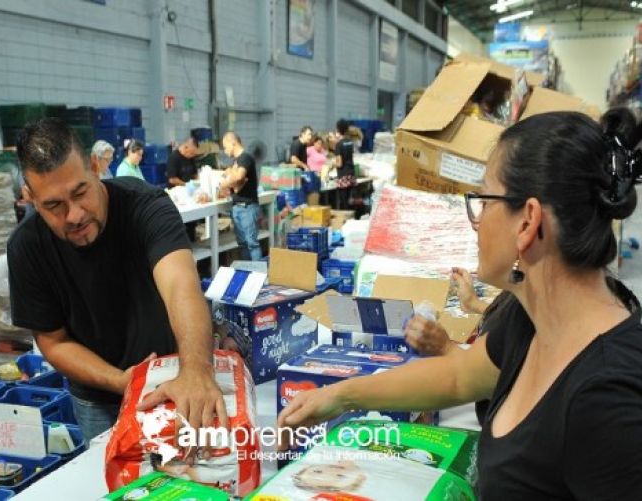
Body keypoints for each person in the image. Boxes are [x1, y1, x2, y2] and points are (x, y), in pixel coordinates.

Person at [278, 111, 642, 498]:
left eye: (484, 201)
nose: (476, 221)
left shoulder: (607, 399)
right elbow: (458, 376)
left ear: (528, 223)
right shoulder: (532, 317)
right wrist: (339, 395)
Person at [8, 118, 226, 443]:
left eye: (81, 192)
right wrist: (121, 381)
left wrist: (196, 370)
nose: (75, 215)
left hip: (172, 380)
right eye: (53, 205)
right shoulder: (26, 247)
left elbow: (180, 285)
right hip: (96, 398)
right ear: (30, 197)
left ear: (96, 168)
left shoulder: (146, 206)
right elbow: (53, 341)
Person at [220, 132, 261, 261]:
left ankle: (259, 274)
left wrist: (224, 184)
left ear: (233, 143)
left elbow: (238, 177)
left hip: (247, 207)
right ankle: (247, 272)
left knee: (252, 244)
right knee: (243, 244)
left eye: (225, 147)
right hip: (238, 207)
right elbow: (236, 181)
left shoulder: (245, 158)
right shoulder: (236, 161)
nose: (225, 151)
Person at [332, 119, 356, 210]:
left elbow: (339, 163)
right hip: (351, 174)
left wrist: (332, 164)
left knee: (343, 202)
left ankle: (346, 220)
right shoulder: (350, 142)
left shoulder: (339, 145)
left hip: (343, 176)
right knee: (350, 201)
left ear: (338, 129)